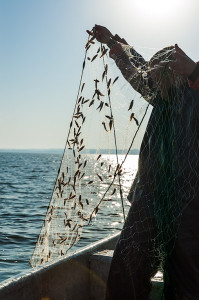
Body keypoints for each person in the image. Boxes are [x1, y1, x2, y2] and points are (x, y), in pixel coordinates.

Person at [93, 25, 199, 299]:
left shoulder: (195, 96)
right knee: (125, 271)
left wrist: (195, 72)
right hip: (149, 199)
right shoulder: (159, 96)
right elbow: (136, 72)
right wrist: (116, 46)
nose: (149, 80)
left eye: (157, 73)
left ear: (176, 71)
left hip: (188, 206)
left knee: (185, 281)